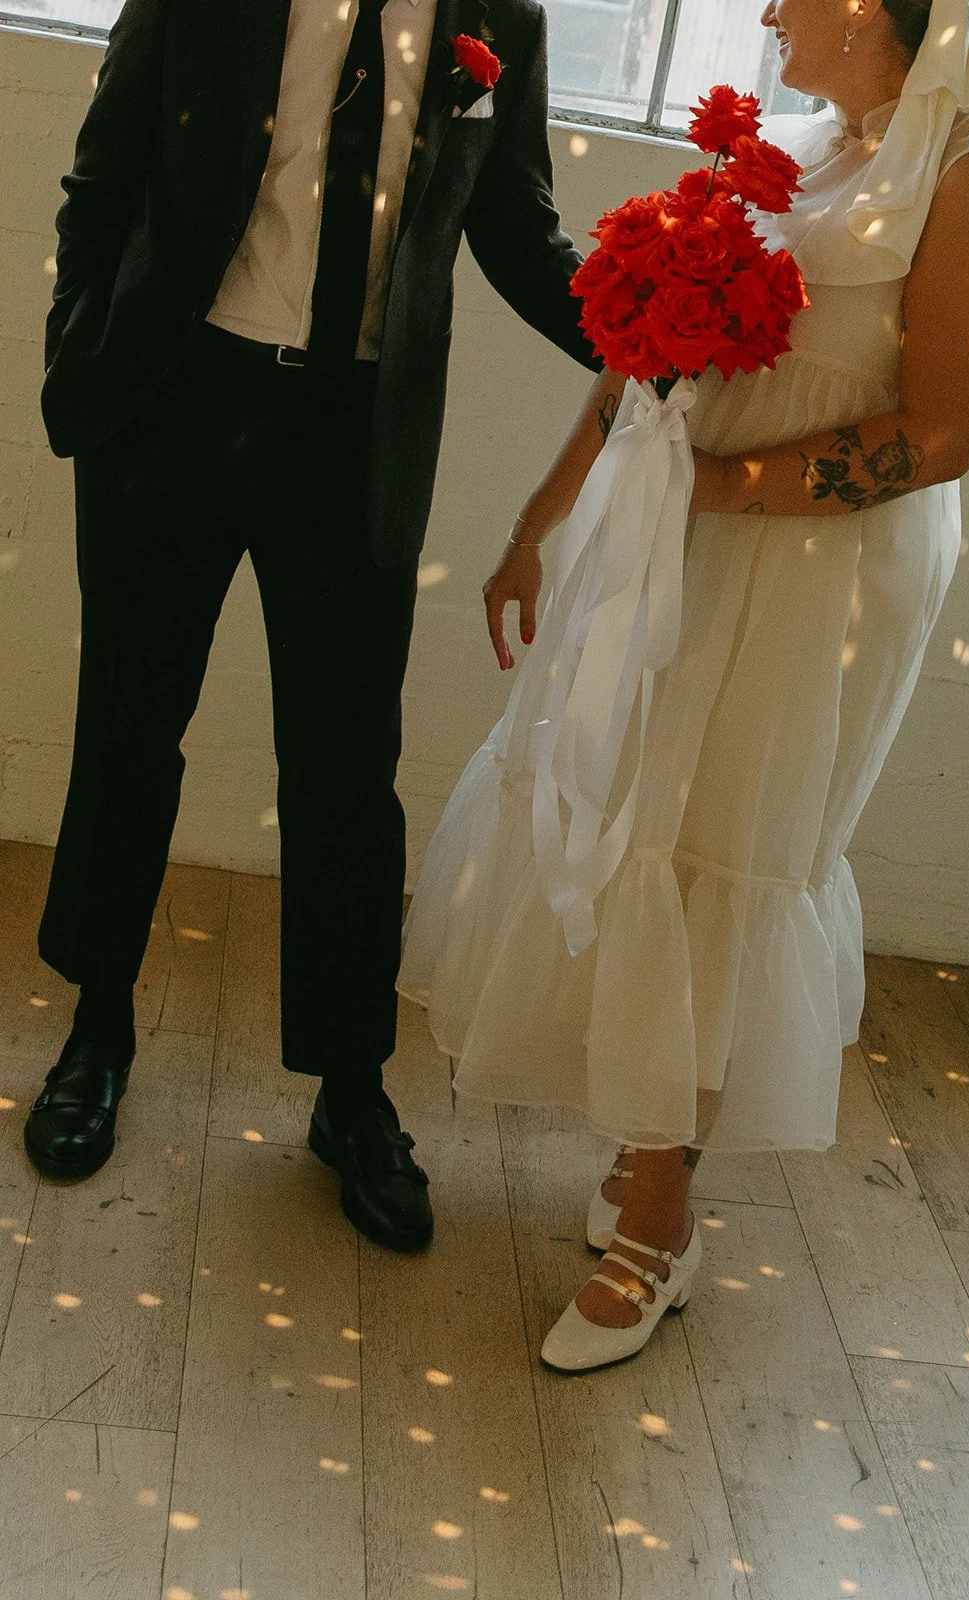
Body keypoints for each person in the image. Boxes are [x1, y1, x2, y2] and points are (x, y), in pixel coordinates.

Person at [400, 0, 969, 1367]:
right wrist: (534, 526)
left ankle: (657, 1228)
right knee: (620, 806)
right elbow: (644, 369)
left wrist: (733, 487)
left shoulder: (966, 188)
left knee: (718, 842)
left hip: (815, 582)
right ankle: (644, 1148)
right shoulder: (793, 152)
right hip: (665, 546)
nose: (763, 12)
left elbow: (938, 434)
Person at [24, 0, 599, 1253]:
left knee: (346, 771)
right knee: (131, 724)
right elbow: (107, 159)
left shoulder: (500, 14)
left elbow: (515, 220)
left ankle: (351, 1091)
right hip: (174, 394)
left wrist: (643, 334)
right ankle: (98, 1027)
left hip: (356, 432)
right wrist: (82, 350)